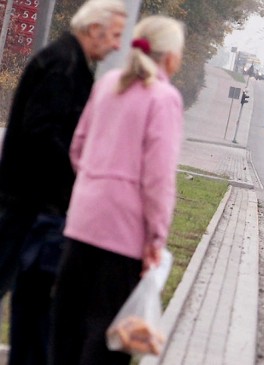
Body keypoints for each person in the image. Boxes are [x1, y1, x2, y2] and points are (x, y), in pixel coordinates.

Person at [50, 15, 186, 365]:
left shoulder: (107, 83)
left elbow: (77, 148)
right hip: (123, 234)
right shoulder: (164, 99)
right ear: (169, 56)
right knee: (107, 336)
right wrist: (156, 239)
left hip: (82, 221)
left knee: (67, 328)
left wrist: (97, 186)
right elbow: (157, 180)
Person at [0, 1, 127, 364]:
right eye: (116, 35)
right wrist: (79, 174)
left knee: (32, 295)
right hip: (30, 200)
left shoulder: (70, 62)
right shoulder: (63, 66)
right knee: (18, 283)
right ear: (95, 29)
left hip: (36, 200)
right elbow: (44, 135)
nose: (118, 45)